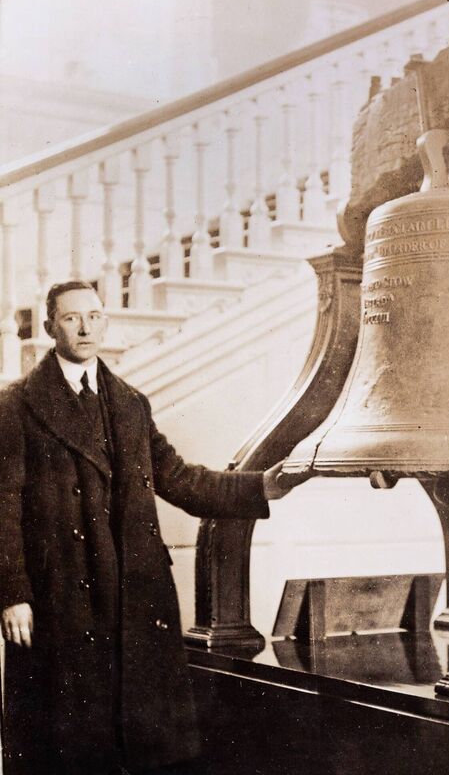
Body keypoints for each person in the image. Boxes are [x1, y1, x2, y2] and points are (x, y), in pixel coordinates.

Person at [0, 281, 294, 775]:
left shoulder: (130, 403)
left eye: (94, 315)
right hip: (61, 597)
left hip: (133, 595)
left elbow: (178, 478)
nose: (86, 326)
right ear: (50, 327)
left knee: (135, 743)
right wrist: (11, 592)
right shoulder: (17, 406)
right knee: (67, 746)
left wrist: (262, 486)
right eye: (72, 318)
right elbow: (1, 503)